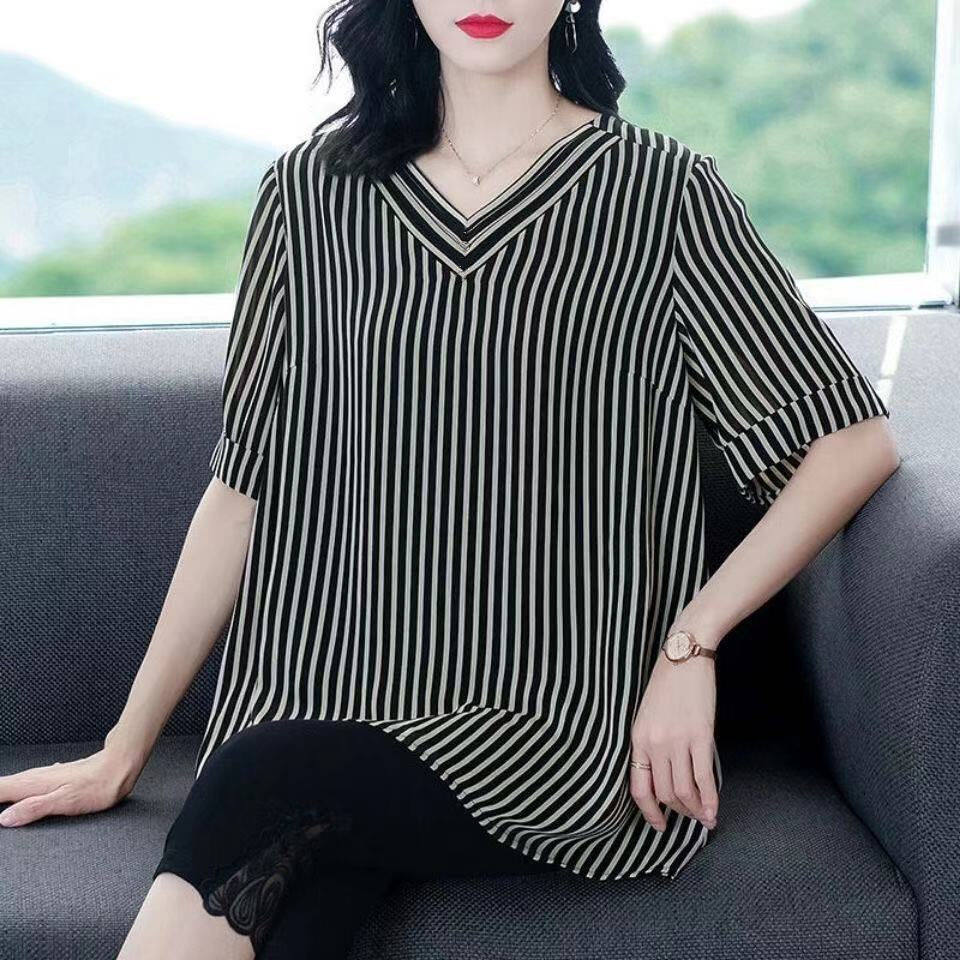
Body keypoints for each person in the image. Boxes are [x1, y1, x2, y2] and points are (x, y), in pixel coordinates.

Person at [0, 1, 900, 958]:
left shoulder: (663, 195)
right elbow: (240, 490)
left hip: (550, 724)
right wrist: (124, 749)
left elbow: (852, 441)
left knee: (269, 787)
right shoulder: (311, 195)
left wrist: (691, 644)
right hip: (328, 693)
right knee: (295, 877)